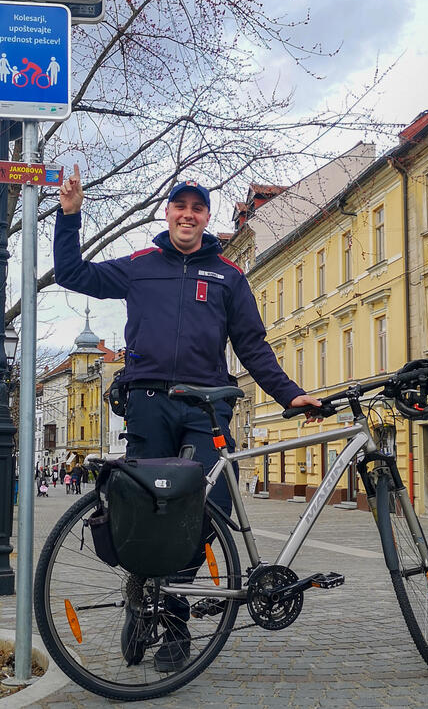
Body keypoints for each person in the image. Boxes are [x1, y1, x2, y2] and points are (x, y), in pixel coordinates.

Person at [54, 166, 320, 671]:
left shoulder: (228, 276)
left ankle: (174, 620)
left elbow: (253, 347)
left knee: (206, 508)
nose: (188, 215)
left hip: (207, 407)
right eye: (181, 206)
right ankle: (145, 600)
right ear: (168, 213)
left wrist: (291, 395)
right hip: (148, 401)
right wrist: (70, 216)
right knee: (143, 509)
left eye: (198, 208)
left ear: (206, 218)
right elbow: (72, 274)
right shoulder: (140, 264)